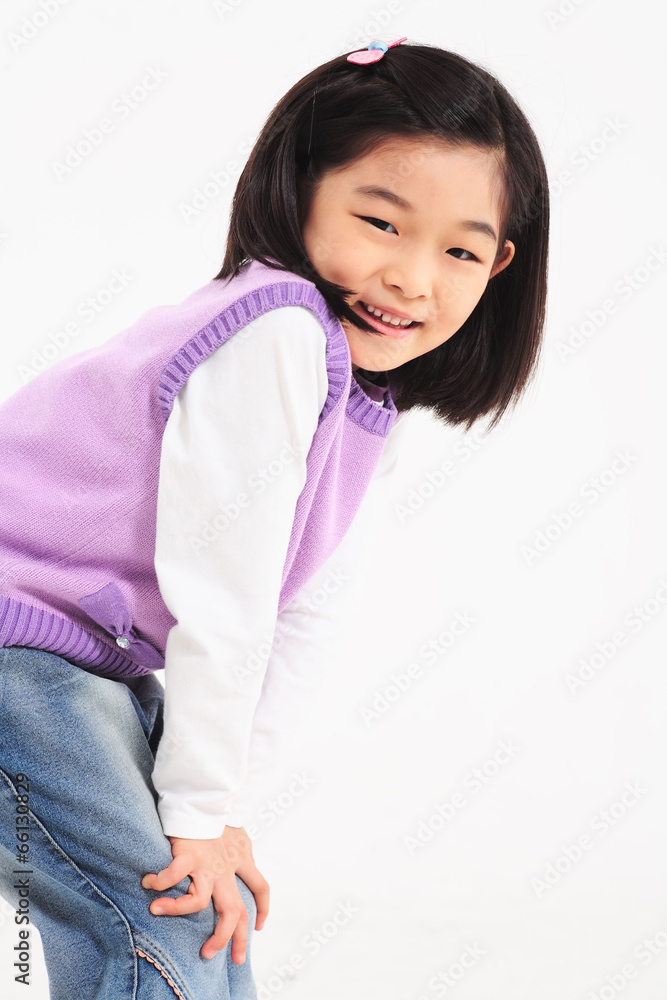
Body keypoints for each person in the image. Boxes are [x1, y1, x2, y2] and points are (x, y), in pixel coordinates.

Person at [0, 36, 549, 999]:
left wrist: (218, 813)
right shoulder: (276, 330)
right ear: (299, 191)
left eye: (459, 251)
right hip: (23, 654)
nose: (411, 278)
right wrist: (197, 814)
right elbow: (225, 601)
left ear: (499, 265)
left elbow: (305, 618)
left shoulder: (364, 405)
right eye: (379, 222)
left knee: (208, 916)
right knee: (162, 924)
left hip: (73, 661)